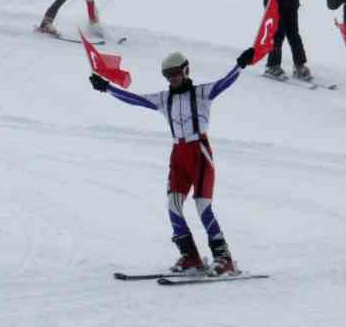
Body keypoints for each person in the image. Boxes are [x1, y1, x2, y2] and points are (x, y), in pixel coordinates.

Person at [89, 47, 257, 274]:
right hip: (178, 153)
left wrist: (240, 65)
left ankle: (223, 257)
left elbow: (224, 82)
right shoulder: (164, 98)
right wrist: (107, 88)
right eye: (168, 75)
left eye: (176, 72)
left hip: (199, 151)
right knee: (173, 206)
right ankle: (190, 257)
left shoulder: (202, 93)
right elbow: (135, 99)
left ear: (186, 70)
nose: (173, 78)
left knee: (203, 206)